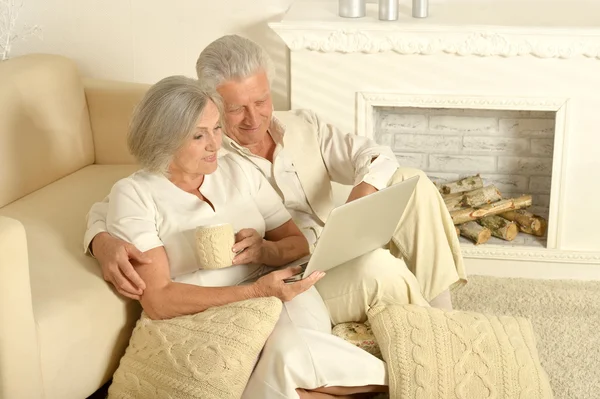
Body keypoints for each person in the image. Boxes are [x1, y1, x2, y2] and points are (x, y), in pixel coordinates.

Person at [84, 34, 465, 316]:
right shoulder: (206, 154)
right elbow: (125, 197)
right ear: (212, 104)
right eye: (235, 109)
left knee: (411, 178)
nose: (254, 119)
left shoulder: (303, 125)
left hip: (335, 243)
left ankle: (443, 312)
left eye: (261, 101)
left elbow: (377, 155)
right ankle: (425, 324)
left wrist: (359, 200)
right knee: (379, 269)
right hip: (289, 270)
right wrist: (101, 241)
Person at [106, 75, 408, 398]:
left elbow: (296, 243)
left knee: (291, 354)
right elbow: (158, 299)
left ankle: (411, 379)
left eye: (216, 129)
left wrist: (264, 251)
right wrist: (252, 294)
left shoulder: (237, 169)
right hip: (212, 312)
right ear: (163, 140)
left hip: (278, 289)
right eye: (198, 135)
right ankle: (408, 382)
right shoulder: (135, 194)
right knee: (285, 373)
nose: (214, 144)